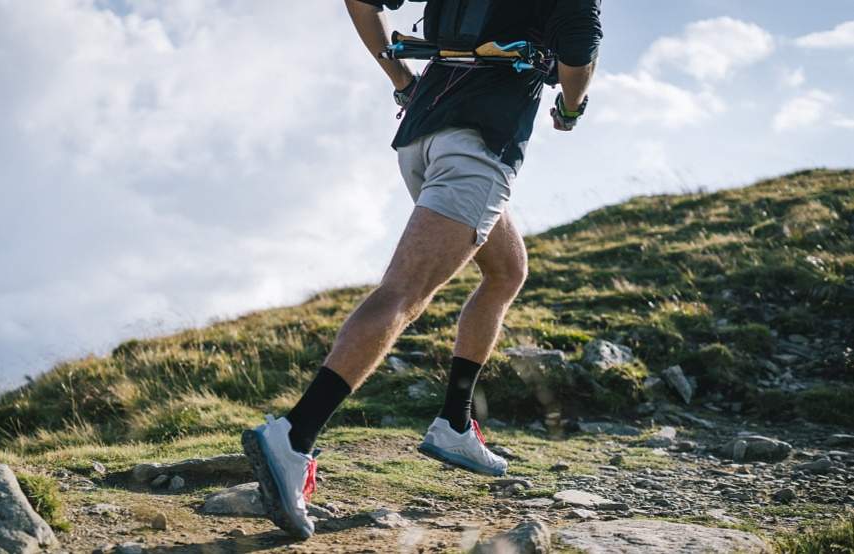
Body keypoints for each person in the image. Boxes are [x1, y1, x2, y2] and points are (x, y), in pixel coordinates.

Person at [242, 0, 602, 539]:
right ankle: (294, 435)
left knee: (506, 271)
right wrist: (573, 108)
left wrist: (400, 77)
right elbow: (579, 48)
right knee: (403, 295)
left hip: (423, 132)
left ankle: (455, 422)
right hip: (478, 147)